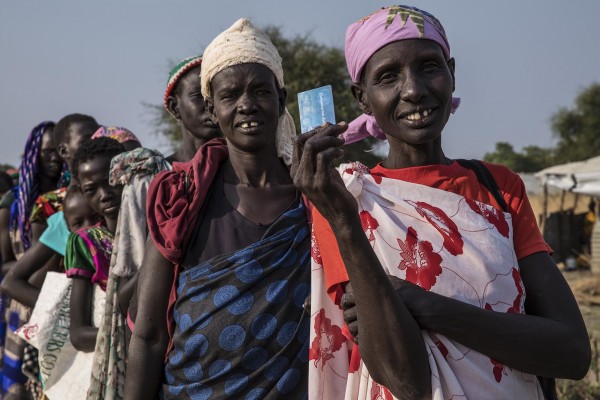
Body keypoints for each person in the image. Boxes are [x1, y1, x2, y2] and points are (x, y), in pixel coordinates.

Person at [293, 5, 591, 400]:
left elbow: (571, 352)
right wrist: (345, 225)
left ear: (451, 72)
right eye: (388, 76)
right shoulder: (346, 200)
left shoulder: (499, 187)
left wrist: (422, 305)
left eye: (429, 66)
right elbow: (404, 379)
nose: (414, 89)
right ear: (362, 98)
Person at [126, 18, 309, 399]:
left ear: (282, 97)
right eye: (230, 95)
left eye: (260, 90)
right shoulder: (182, 196)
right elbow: (148, 333)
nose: (246, 105)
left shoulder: (312, 195)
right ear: (212, 106)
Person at [0, 121, 64, 399]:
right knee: (18, 388)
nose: (53, 158)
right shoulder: (13, 204)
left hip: (63, 303)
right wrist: (40, 262)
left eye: (57, 151)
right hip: (23, 302)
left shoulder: (72, 200)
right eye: (46, 151)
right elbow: (3, 264)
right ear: (33, 154)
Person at [64, 137, 127, 353]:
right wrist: (138, 333)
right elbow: (79, 335)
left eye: (111, 181)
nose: (105, 195)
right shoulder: (86, 244)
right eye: (91, 190)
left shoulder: (161, 227)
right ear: (82, 193)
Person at [163, 55, 222, 163]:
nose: (212, 105)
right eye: (198, 95)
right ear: (174, 107)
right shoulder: (156, 176)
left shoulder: (251, 171)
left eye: (222, 95)